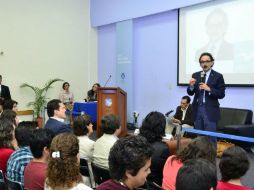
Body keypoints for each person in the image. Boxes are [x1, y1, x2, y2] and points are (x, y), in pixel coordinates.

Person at [187, 52, 225, 143]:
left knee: (211, 138)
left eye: (207, 61)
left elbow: (221, 94)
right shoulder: (195, 75)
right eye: (202, 62)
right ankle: (200, 156)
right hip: (197, 109)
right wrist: (191, 86)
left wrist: (209, 89)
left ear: (212, 62)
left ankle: (211, 157)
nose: (205, 64)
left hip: (210, 110)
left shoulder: (218, 76)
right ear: (200, 64)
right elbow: (190, 93)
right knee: (199, 138)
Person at [139, 111, 170, 186]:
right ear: (162, 127)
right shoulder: (163, 149)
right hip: (153, 186)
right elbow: (163, 173)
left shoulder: (135, 141)